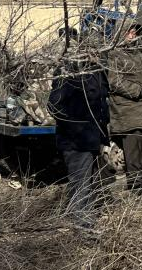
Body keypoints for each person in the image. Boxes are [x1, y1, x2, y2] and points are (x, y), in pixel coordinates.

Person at [47, 51, 110, 230]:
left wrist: (104, 136)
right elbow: (54, 106)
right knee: (80, 182)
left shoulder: (96, 72)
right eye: (92, 51)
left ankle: (84, 216)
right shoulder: (67, 73)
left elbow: (101, 105)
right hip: (75, 141)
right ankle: (81, 222)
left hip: (93, 138)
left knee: (90, 182)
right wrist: (76, 128)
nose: (96, 55)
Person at [105, 20, 142, 197]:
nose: (133, 35)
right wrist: (141, 92)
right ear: (120, 34)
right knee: (133, 151)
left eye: (135, 32)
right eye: (129, 32)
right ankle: (138, 187)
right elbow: (115, 82)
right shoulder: (114, 55)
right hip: (128, 110)